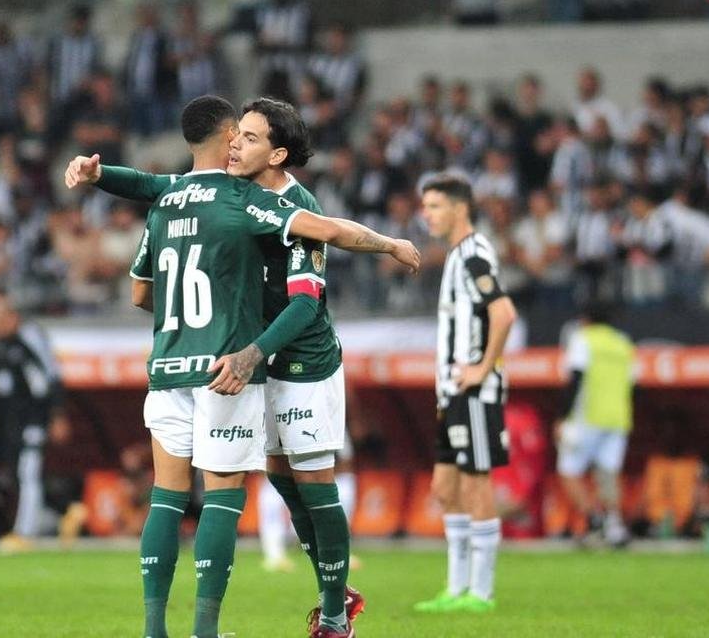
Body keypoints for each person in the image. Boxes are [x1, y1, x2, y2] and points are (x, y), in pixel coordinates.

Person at [71, 95, 417, 638]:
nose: (237, 145)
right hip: (234, 362)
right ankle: (258, 614)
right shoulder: (229, 195)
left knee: (308, 480)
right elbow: (151, 184)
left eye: (251, 139)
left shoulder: (289, 201)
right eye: (238, 135)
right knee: (269, 483)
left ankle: (332, 611)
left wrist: (231, 342)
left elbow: (305, 303)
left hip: (297, 360)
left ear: (277, 155)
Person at [414, 174, 517, 615]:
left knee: (477, 484)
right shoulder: (457, 256)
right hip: (451, 392)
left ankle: (482, 591)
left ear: (460, 208)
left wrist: (482, 367)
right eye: (426, 206)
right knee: (445, 486)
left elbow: (504, 313)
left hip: (475, 392)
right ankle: (456, 588)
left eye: (435, 206)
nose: (427, 214)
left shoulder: (474, 253)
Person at [0, 289, 70, 550]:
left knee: (27, 472)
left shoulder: (31, 338)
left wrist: (57, 415)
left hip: (29, 418)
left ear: (10, 318)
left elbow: (50, 378)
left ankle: (25, 532)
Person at [555, 306, 636, 547]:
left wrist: (562, 416)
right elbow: (634, 384)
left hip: (588, 416)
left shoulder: (583, 339)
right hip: (618, 418)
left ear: (586, 319)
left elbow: (576, 379)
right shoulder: (623, 342)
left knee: (568, 470)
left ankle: (595, 521)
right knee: (608, 474)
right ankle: (614, 527)